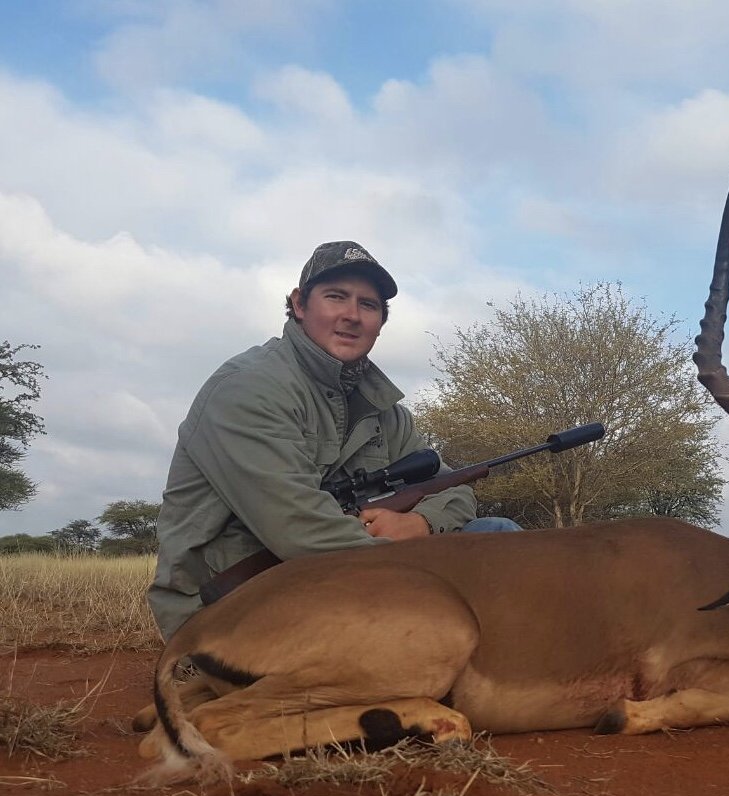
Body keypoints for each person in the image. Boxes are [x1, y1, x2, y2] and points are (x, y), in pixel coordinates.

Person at [147, 240, 520, 641]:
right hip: (234, 605)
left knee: (497, 533)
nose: (352, 316)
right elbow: (301, 532)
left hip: (340, 580)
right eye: (336, 297)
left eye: (368, 305)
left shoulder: (385, 409)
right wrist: (411, 558)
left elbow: (453, 489)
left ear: (381, 321)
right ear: (300, 305)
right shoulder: (248, 388)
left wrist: (420, 523)